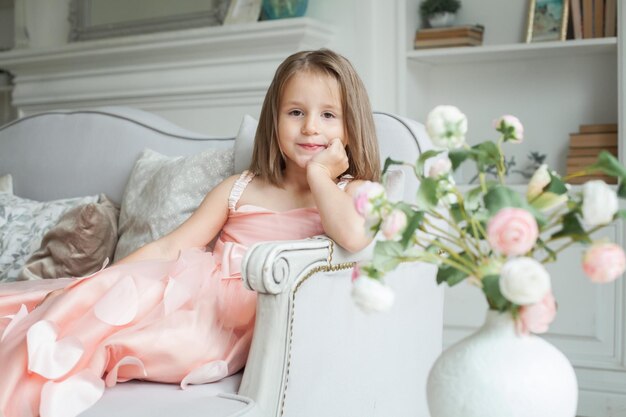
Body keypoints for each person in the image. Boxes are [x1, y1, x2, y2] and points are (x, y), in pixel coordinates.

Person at [0, 48, 381, 417]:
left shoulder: (351, 191)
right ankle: (50, 327)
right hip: (189, 292)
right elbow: (171, 246)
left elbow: (351, 236)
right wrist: (97, 280)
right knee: (81, 302)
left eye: (329, 114)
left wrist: (319, 174)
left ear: (351, 126)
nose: (311, 126)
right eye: (296, 112)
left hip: (230, 321)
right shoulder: (241, 186)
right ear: (274, 120)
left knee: (118, 337)